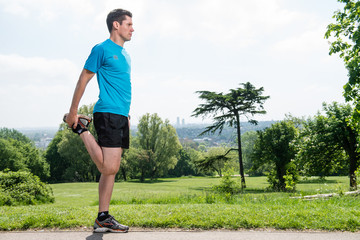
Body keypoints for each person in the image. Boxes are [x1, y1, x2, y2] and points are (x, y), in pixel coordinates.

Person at [63, 8, 134, 233]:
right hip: (107, 113)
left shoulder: (125, 54)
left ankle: (102, 218)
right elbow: (84, 77)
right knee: (109, 165)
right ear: (116, 25)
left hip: (120, 115)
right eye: (129, 24)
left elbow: (121, 87)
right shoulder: (102, 49)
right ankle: (82, 129)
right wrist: (73, 112)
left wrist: (126, 115)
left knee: (109, 171)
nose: (133, 29)